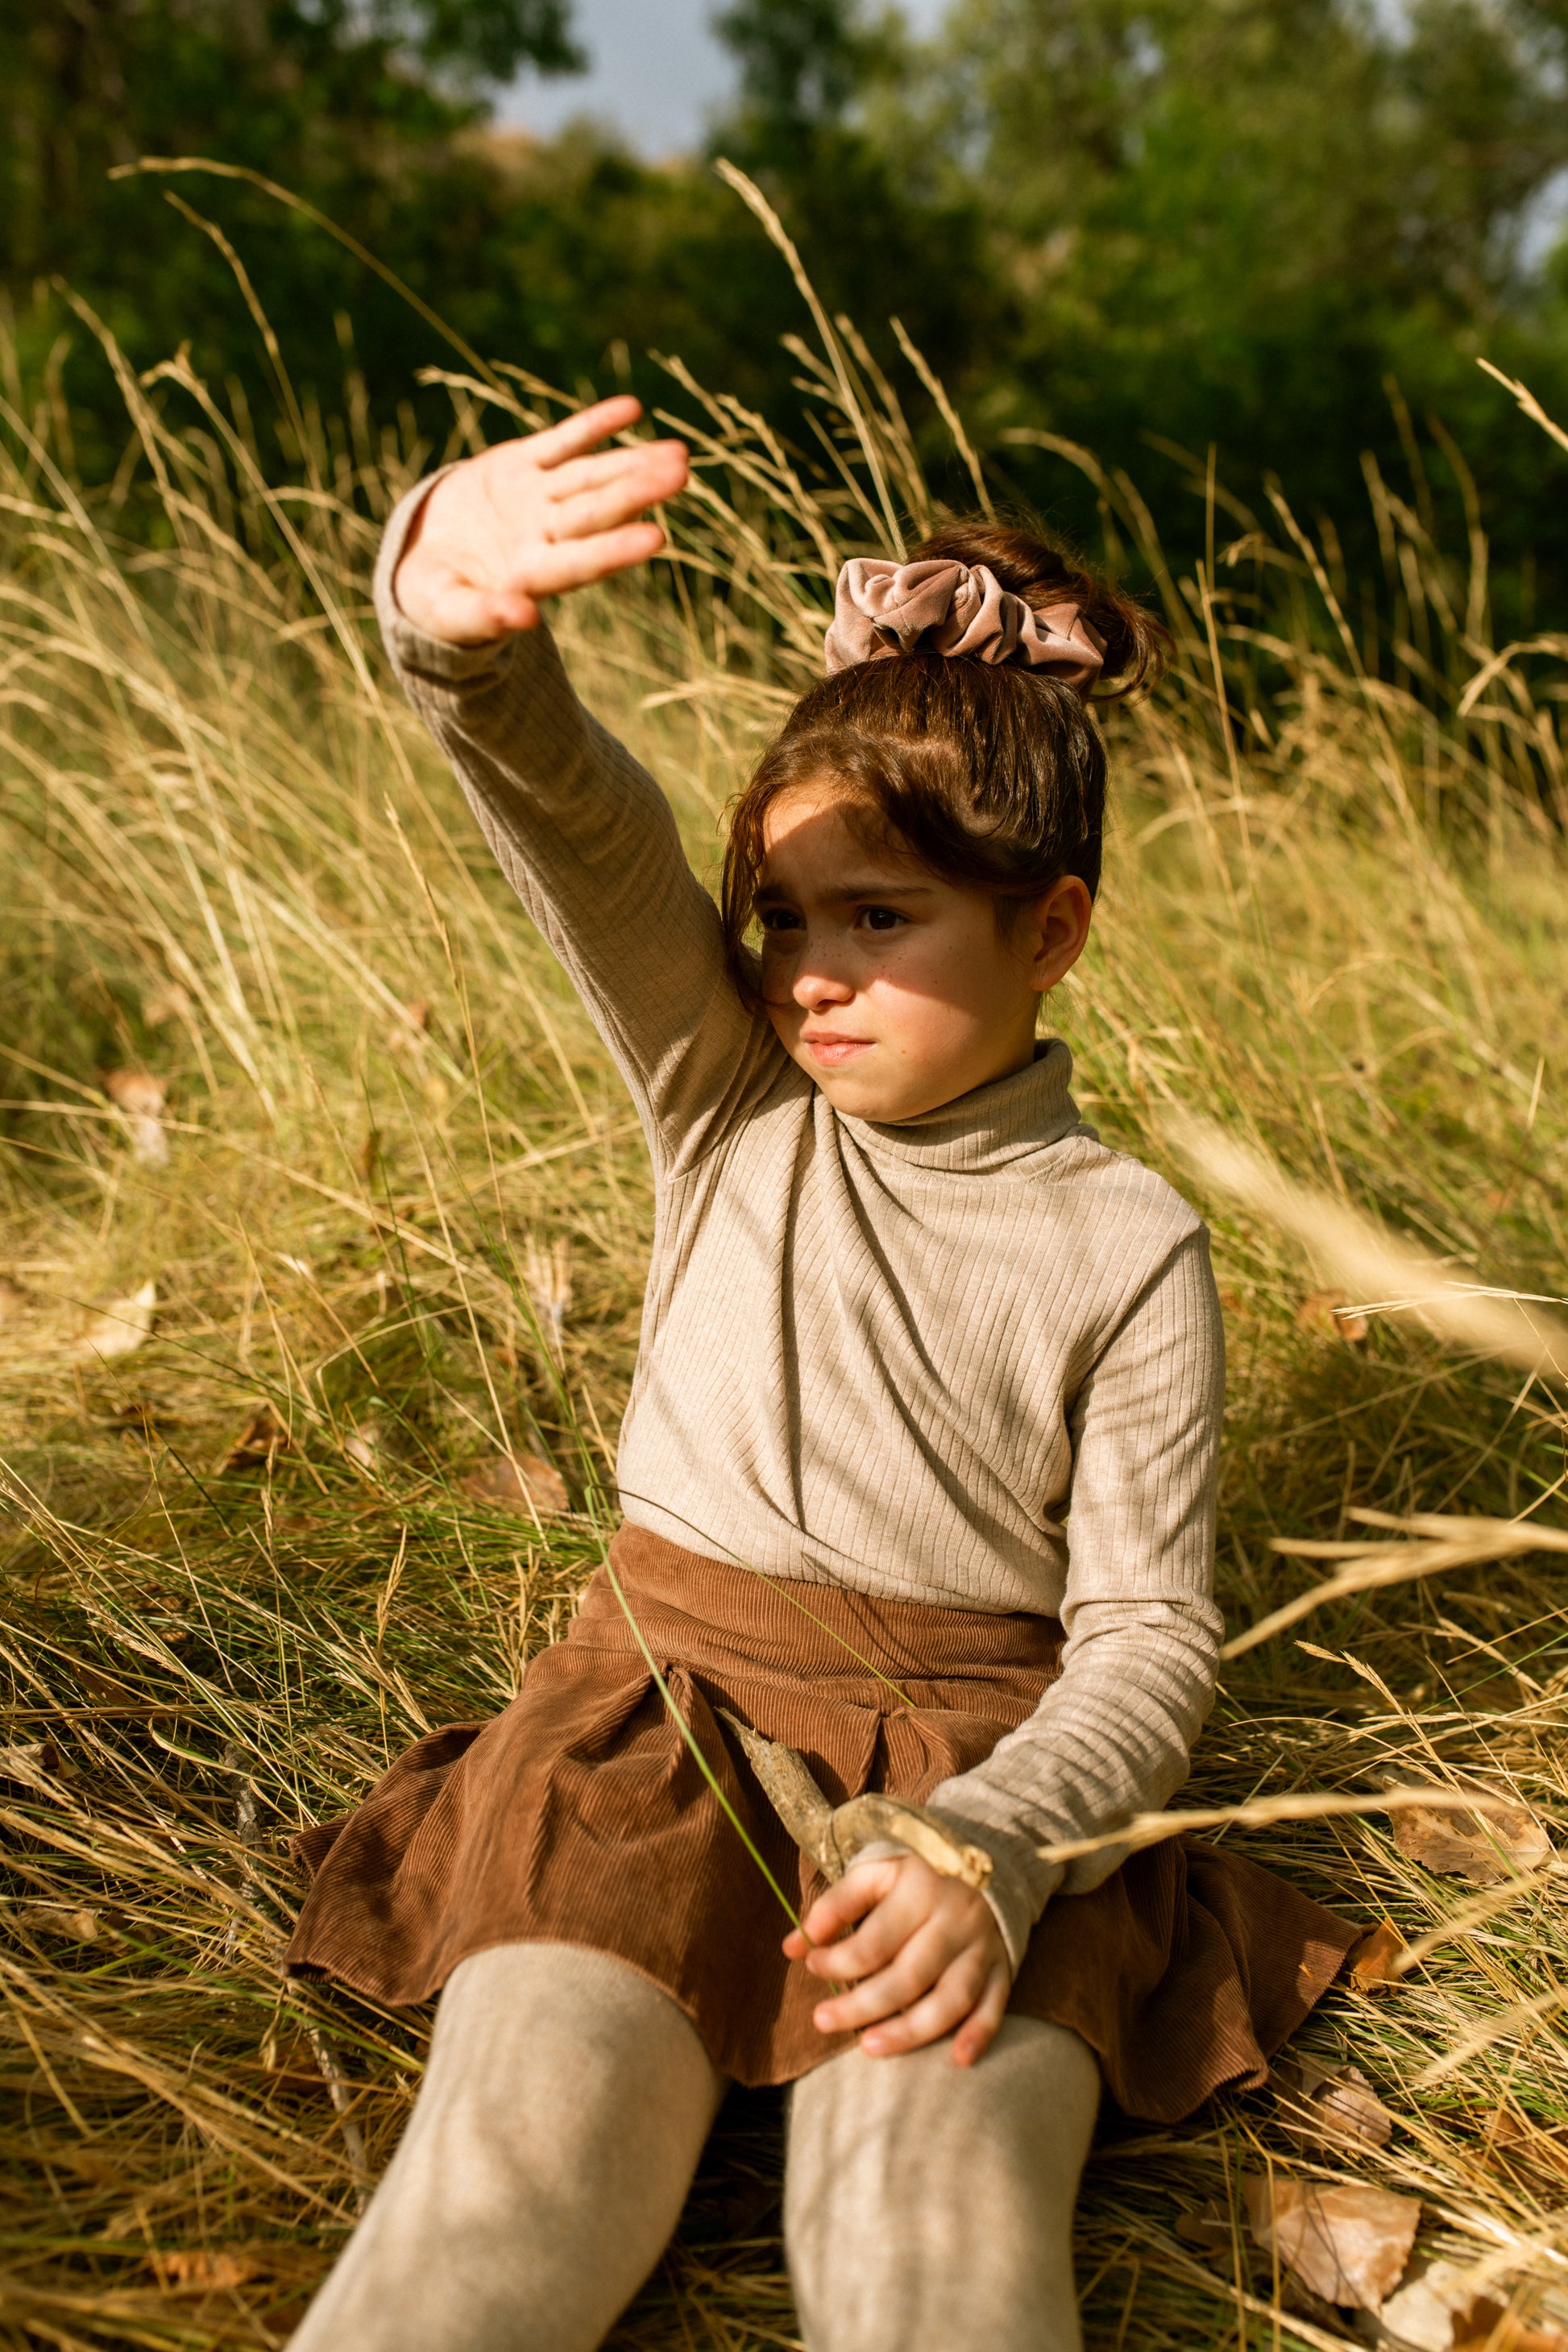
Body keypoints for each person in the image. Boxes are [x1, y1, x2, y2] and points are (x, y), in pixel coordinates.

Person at [284, 396, 1357, 2352]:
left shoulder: (1126, 1245)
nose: (808, 971)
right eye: (783, 914)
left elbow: (1143, 1641)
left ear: (1051, 930)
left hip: (972, 1779)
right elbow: (577, 817)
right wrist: (458, 634)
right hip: (653, 1736)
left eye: (883, 917)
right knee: (494, 2201)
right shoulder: (730, 1096)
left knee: (923, 2250)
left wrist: (996, 1846)